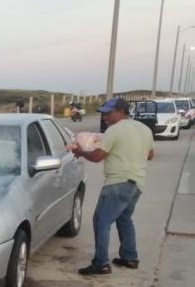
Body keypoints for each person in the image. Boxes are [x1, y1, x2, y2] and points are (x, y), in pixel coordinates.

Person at [66, 97, 154, 275]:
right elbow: (150, 155)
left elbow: (98, 156)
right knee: (124, 219)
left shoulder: (114, 130)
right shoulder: (144, 129)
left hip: (118, 183)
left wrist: (80, 152)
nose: (105, 116)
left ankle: (101, 263)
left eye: (108, 112)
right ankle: (130, 258)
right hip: (137, 184)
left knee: (101, 221)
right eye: (103, 113)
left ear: (121, 111)